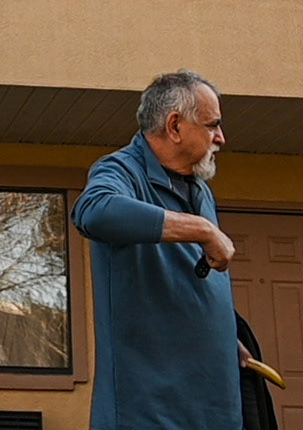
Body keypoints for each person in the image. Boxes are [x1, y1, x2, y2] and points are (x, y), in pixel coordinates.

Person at [72, 70, 242, 430]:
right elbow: (95, 210)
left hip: (213, 406)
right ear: (176, 126)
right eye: (212, 125)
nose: (221, 138)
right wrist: (201, 229)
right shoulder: (121, 170)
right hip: (149, 411)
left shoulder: (200, 188)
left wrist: (228, 336)